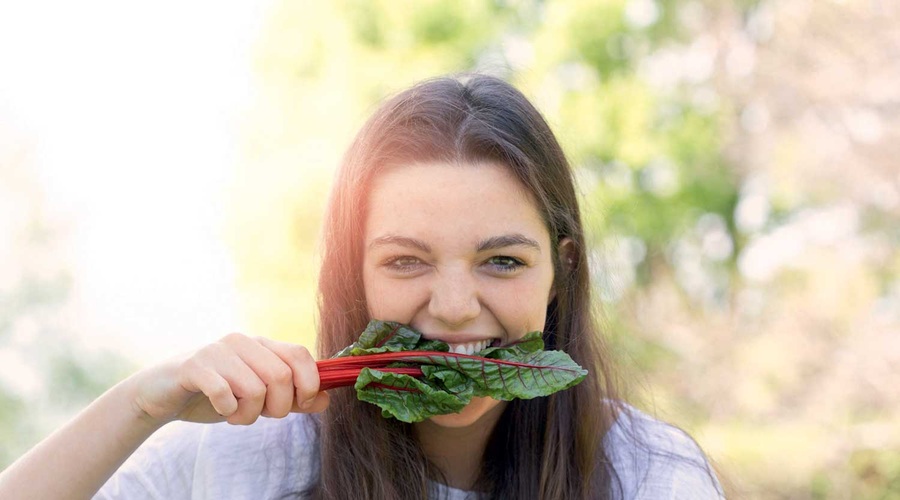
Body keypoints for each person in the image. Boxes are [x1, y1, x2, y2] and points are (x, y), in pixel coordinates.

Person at [0, 74, 724, 499]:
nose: (451, 307)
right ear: (354, 275)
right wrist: (140, 404)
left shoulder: (649, 476)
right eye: (406, 261)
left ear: (562, 269)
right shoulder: (241, 460)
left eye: (501, 261)